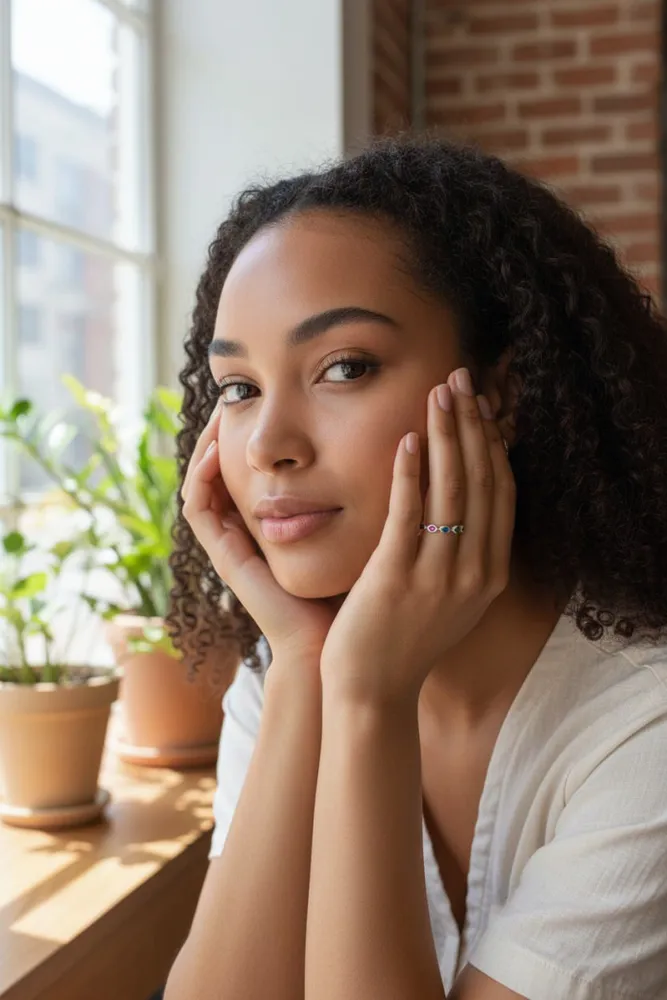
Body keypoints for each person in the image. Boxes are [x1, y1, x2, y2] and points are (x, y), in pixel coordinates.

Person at [163, 133, 667, 1000]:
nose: (269, 446)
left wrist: (365, 699)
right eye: (238, 388)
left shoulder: (642, 734)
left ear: (498, 396)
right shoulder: (286, 669)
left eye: (343, 368)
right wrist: (310, 673)